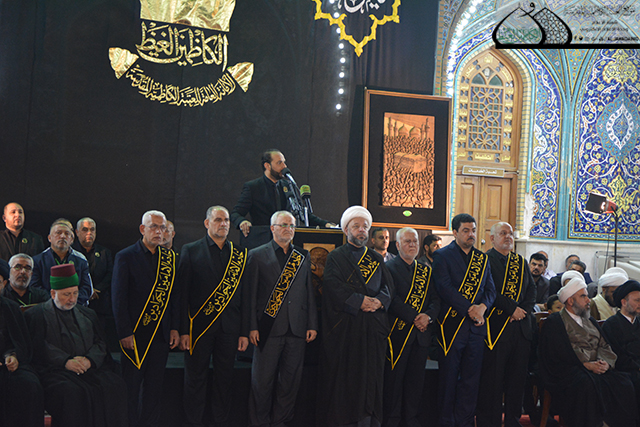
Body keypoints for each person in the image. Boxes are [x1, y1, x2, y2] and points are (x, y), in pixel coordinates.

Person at [25, 264, 127, 427]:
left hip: (89, 368)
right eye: (66, 294)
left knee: (114, 386)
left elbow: (100, 343)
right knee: (71, 392)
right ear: (53, 293)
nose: (72, 299)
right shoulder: (36, 315)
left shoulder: (88, 314)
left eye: (75, 293)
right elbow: (39, 347)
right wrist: (65, 361)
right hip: (55, 371)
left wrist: (89, 360)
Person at [320, 205, 393, 426]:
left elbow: (388, 288)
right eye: (356, 226)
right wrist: (359, 301)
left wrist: (379, 301)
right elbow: (332, 286)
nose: (361, 230)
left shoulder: (375, 258)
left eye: (365, 227)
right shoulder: (336, 257)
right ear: (346, 230)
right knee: (348, 381)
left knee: (372, 379)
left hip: (373, 329)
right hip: (348, 330)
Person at [178, 206, 250, 427]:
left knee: (224, 381)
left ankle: (220, 422)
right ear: (207, 223)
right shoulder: (190, 250)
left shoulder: (240, 254)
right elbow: (181, 296)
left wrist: (244, 332)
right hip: (198, 328)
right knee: (195, 380)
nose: (224, 224)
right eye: (218, 220)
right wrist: (183, 331)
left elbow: (245, 297)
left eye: (226, 220)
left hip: (229, 329)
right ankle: (193, 423)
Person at [247, 210, 318, 427]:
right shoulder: (257, 255)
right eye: (284, 225)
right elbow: (250, 296)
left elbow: (308, 292)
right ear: (272, 228)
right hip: (267, 329)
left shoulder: (302, 256)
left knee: (290, 384)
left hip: (297, 329)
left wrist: (312, 324)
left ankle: (281, 423)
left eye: (292, 226)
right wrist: (252, 327)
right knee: (262, 383)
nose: (289, 229)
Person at [538, 276, 637, 427]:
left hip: (596, 368)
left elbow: (604, 345)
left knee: (623, 381)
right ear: (570, 301)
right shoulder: (555, 322)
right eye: (583, 296)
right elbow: (557, 352)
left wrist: (605, 363)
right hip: (570, 369)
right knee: (587, 384)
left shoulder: (590, 321)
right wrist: (586, 364)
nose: (588, 300)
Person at [112, 210, 180, 427]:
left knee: (154, 389)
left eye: (163, 228)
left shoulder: (169, 259)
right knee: (131, 389)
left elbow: (174, 298)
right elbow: (118, 298)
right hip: (135, 335)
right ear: (143, 229)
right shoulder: (125, 256)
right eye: (154, 227)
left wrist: (174, 328)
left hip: (161, 336)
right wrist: (124, 332)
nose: (159, 232)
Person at [433, 213, 495, 427]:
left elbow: (490, 290)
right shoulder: (442, 256)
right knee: (448, 379)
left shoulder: (482, 258)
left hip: (476, 328)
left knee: (471, 380)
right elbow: (444, 288)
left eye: (473, 230)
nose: (471, 234)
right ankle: (445, 422)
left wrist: (482, 307)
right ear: (455, 232)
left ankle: (465, 422)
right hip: (452, 326)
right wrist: (470, 309)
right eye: (466, 230)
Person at [476, 222, 535, 427]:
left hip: (520, 330)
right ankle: (488, 422)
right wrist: (511, 309)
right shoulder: (484, 260)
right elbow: (488, 291)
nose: (508, 237)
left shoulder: (520, 261)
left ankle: (513, 421)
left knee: (516, 381)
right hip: (496, 330)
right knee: (492, 381)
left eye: (510, 233)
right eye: (503, 233)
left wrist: (522, 311)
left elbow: (531, 291)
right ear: (492, 238)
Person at [383, 227, 439, 427]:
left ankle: (411, 421)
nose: (412, 245)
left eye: (415, 241)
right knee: (394, 383)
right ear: (398, 245)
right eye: (408, 241)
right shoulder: (388, 268)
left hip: (421, 336)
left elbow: (436, 300)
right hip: (398, 334)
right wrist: (415, 317)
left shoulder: (426, 270)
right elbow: (392, 299)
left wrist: (428, 317)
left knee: (415, 384)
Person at [230, 149, 333, 248]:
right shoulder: (253, 187)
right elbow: (236, 213)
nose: (284, 166)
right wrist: (242, 222)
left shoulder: (288, 185)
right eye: (279, 163)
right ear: (267, 166)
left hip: (288, 243)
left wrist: (325, 224)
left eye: (284, 162)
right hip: (264, 243)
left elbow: (303, 214)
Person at [0, 293, 44, 427]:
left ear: (3, 284)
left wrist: (12, 356)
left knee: (30, 384)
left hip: (6, 365)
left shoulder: (10, 307)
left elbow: (20, 341)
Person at [602, 280, 640, 427]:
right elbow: (615, 354)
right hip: (622, 371)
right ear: (624, 302)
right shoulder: (611, 324)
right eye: (637, 300)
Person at [31, 218, 94, 305]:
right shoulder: (37, 261)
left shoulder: (81, 261)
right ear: (49, 238)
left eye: (67, 234)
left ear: (71, 240)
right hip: (47, 307)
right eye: (58, 233)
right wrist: (57, 302)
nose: (63, 236)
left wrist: (71, 301)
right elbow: (35, 287)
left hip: (75, 306)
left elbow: (87, 289)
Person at [72, 217, 114, 325]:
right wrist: (87, 291)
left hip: (100, 304)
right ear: (77, 232)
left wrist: (96, 290)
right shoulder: (71, 252)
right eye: (85, 229)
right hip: (76, 304)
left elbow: (110, 274)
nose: (89, 233)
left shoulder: (105, 252)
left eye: (92, 229)